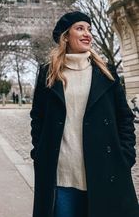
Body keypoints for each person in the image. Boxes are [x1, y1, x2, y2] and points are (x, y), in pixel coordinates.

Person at [30, 11, 138, 217]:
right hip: (61, 174)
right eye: (80, 28)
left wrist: (125, 156)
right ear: (65, 36)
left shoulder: (106, 72)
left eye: (89, 29)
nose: (87, 33)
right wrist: (40, 152)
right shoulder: (48, 73)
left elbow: (124, 118)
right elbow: (38, 118)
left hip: (104, 170)